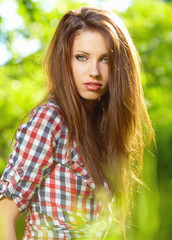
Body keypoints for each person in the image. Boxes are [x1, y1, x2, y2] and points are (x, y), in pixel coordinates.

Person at [0, 6, 154, 240]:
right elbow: (3, 215)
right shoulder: (49, 120)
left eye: (105, 59)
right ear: (65, 61)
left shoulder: (104, 130)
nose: (94, 71)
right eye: (81, 57)